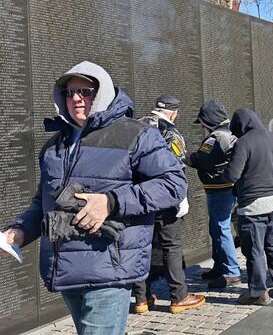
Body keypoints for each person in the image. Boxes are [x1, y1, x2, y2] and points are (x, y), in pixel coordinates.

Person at [1, 61, 187, 335]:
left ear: (101, 93)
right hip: (65, 271)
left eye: (85, 91)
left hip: (109, 271)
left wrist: (111, 201)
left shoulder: (137, 135)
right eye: (69, 91)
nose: (76, 98)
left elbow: (173, 184)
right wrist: (18, 232)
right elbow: (43, 200)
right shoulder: (54, 145)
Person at [132, 95, 205, 314]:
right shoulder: (171, 133)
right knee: (171, 247)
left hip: (138, 198)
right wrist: (181, 198)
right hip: (164, 199)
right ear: (173, 112)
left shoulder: (137, 126)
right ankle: (179, 296)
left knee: (140, 247)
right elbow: (177, 168)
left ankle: (141, 299)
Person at [220, 109, 273, 305]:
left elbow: (232, 175)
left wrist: (222, 173)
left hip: (252, 206)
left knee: (254, 251)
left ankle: (259, 292)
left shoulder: (244, 143)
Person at [185, 99, 242, 288]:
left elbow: (202, 160)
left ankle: (231, 271)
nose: (201, 126)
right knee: (217, 229)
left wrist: (181, 154)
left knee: (221, 229)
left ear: (208, 120)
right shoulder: (229, 134)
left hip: (219, 189)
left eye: (202, 122)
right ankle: (220, 266)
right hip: (225, 188)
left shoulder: (216, 137)